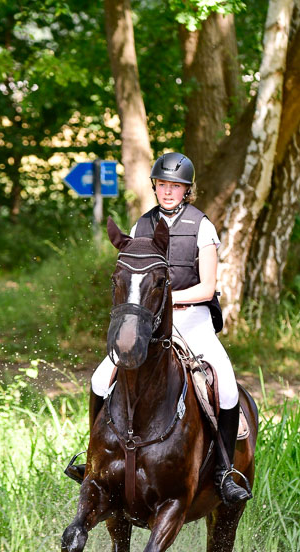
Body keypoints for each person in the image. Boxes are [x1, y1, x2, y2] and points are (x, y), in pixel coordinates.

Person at [68, 152, 252, 505]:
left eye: (176, 186)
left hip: (193, 318)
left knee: (226, 387)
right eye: (163, 185)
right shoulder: (141, 226)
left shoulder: (203, 226)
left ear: (187, 189)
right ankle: (93, 460)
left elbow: (208, 287)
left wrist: (171, 298)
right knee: (98, 378)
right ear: (155, 186)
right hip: (149, 322)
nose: (168, 192)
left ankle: (225, 472)